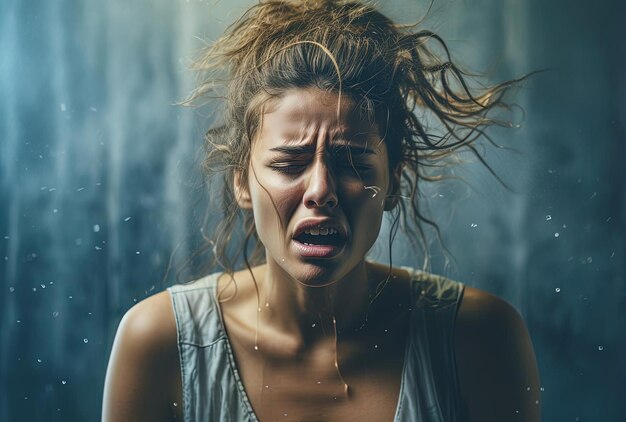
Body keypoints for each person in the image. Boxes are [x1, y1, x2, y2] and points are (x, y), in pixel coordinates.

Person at [102, 1, 541, 421]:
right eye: (289, 164)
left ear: (392, 181)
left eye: (352, 162)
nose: (321, 190)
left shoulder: (480, 339)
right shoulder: (161, 344)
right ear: (241, 181)